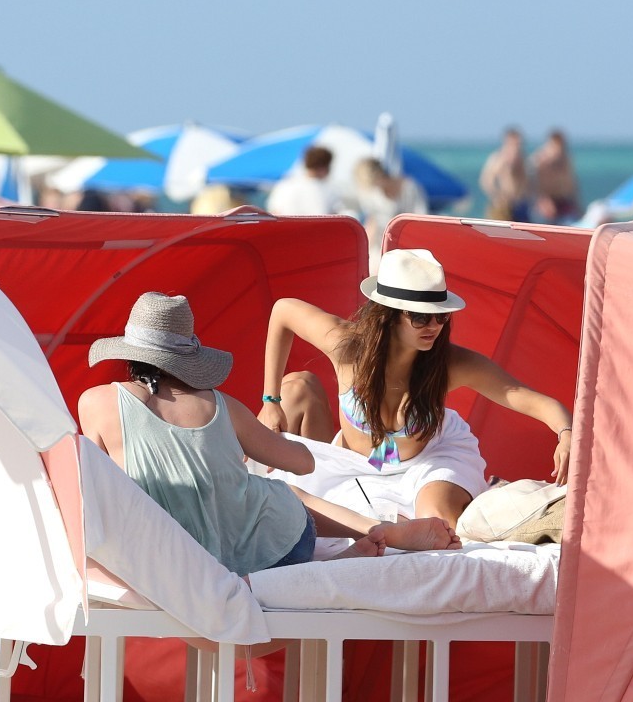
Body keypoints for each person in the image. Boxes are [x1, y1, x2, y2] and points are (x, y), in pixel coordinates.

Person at [78, 292, 460, 579]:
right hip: (276, 551)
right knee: (284, 492)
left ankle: (339, 555)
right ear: (188, 359)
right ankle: (380, 533)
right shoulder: (221, 407)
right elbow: (302, 461)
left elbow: (97, 487)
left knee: (238, 493)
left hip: (164, 556)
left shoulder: (94, 402)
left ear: (129, 351)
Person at [259, 249, 572, 528]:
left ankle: (478, 496)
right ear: (388, 317)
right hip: (352, 462)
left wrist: (565, 433)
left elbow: (530, 400)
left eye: (441, 316)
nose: (434, 326)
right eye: (421, 317)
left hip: (428, 459)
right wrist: (269, 399)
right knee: (294, 388)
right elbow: (283, 310)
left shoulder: (450, 363)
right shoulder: (347, 347)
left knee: (437, 521)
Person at [353, 157, 429, 274]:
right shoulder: (371, 193)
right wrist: (362, 250)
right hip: (380, 245)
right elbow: (372, 222)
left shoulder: (409, 188)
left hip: (407, 243)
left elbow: (421, 220)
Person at [266, 145, 340, 216]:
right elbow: (333, 215)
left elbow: (274, 211)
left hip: (287, 228)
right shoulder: (326, 190)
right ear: (324, 167)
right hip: (314, 228)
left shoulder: (284, 185)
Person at [479, 127, 531, 222]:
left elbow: (527, 181)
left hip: (520, 203)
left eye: (519, 144)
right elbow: (486, 180)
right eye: (514, 144)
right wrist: (497, 195)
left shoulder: (523, 159)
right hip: (502, 205)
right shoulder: (499, 158)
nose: (517, 147)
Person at [531, 129, 581, 224]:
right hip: (542, 202)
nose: (559, 151)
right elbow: (531, 185)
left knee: (572, 222)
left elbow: (572, 185)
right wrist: (542, 200)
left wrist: (577, 206)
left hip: (563, 200)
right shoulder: (539, 161)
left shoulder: (566, 160)